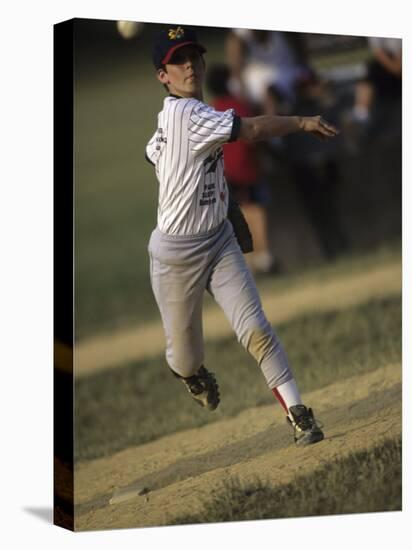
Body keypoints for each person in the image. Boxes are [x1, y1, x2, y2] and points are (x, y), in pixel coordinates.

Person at [145, 25, 338, 446]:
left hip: (218, 240)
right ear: (163, 75)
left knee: (256, 330)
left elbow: (151, 151)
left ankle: (299, 414)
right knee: (185, 355)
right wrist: (302, 120)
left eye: (193, 56)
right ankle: (190, 374)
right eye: (178, 60)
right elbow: (250, 131)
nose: (189, 65)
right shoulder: (187, 114)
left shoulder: (178, 117)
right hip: (175, 255)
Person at [206, 63, 277, 275]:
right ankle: (262, 257)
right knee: (255, 209)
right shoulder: (238, 106)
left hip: (224, 172)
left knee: (239, 214)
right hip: (245, 168)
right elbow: (253, 136)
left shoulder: (211, 109)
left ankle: (249, 261)